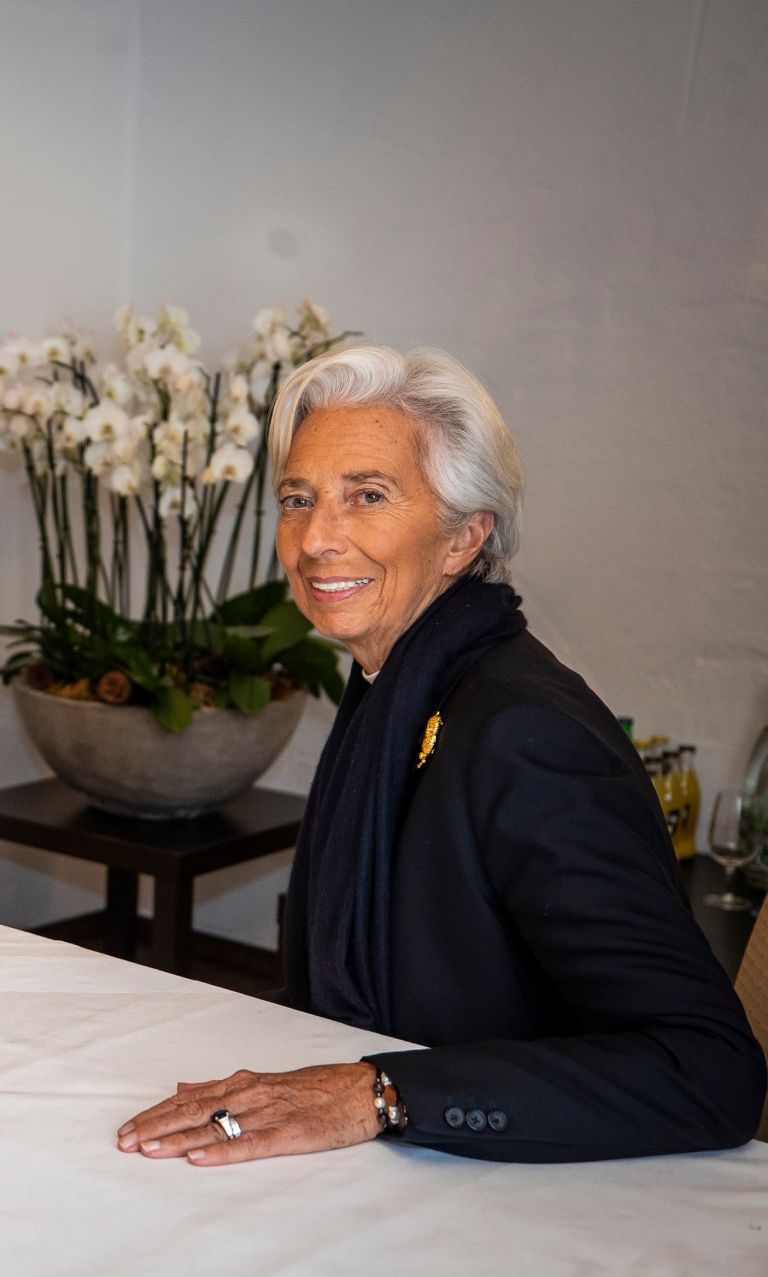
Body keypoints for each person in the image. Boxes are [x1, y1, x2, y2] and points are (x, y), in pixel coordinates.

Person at [116, 344, 764, 1163]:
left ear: (464, 537)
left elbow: (707, 1070)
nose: (317, 539)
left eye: (369, 496)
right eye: (297, 499)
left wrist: (382, 1092)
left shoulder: (527, 736)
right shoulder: (398, 686)